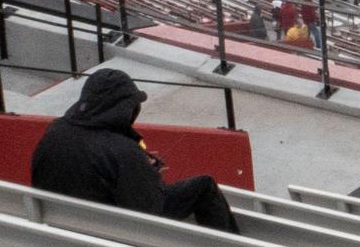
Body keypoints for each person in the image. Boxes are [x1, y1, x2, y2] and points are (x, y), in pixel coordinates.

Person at [29, 69, 239, 232]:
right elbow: (152, 209)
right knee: (205, 186)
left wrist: (140, 168)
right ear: (125, 109)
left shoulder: (55, 131)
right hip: (113, 239)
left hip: (61, 231)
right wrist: (147, 173)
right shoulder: (123, 152)